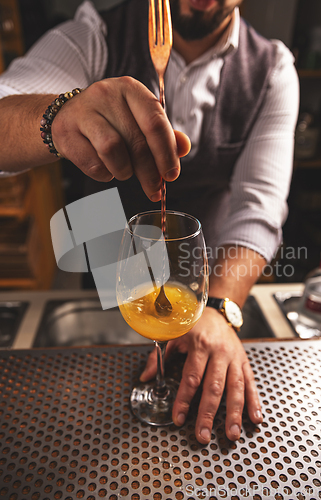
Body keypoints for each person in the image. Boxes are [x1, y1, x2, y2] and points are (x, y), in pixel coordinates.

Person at [0, 0, 299, 444]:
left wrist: (219, 308)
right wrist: (59, 116)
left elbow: (259, 206)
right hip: (106, 270)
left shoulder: (273, 68)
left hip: (205, 284)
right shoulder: (97, 33)